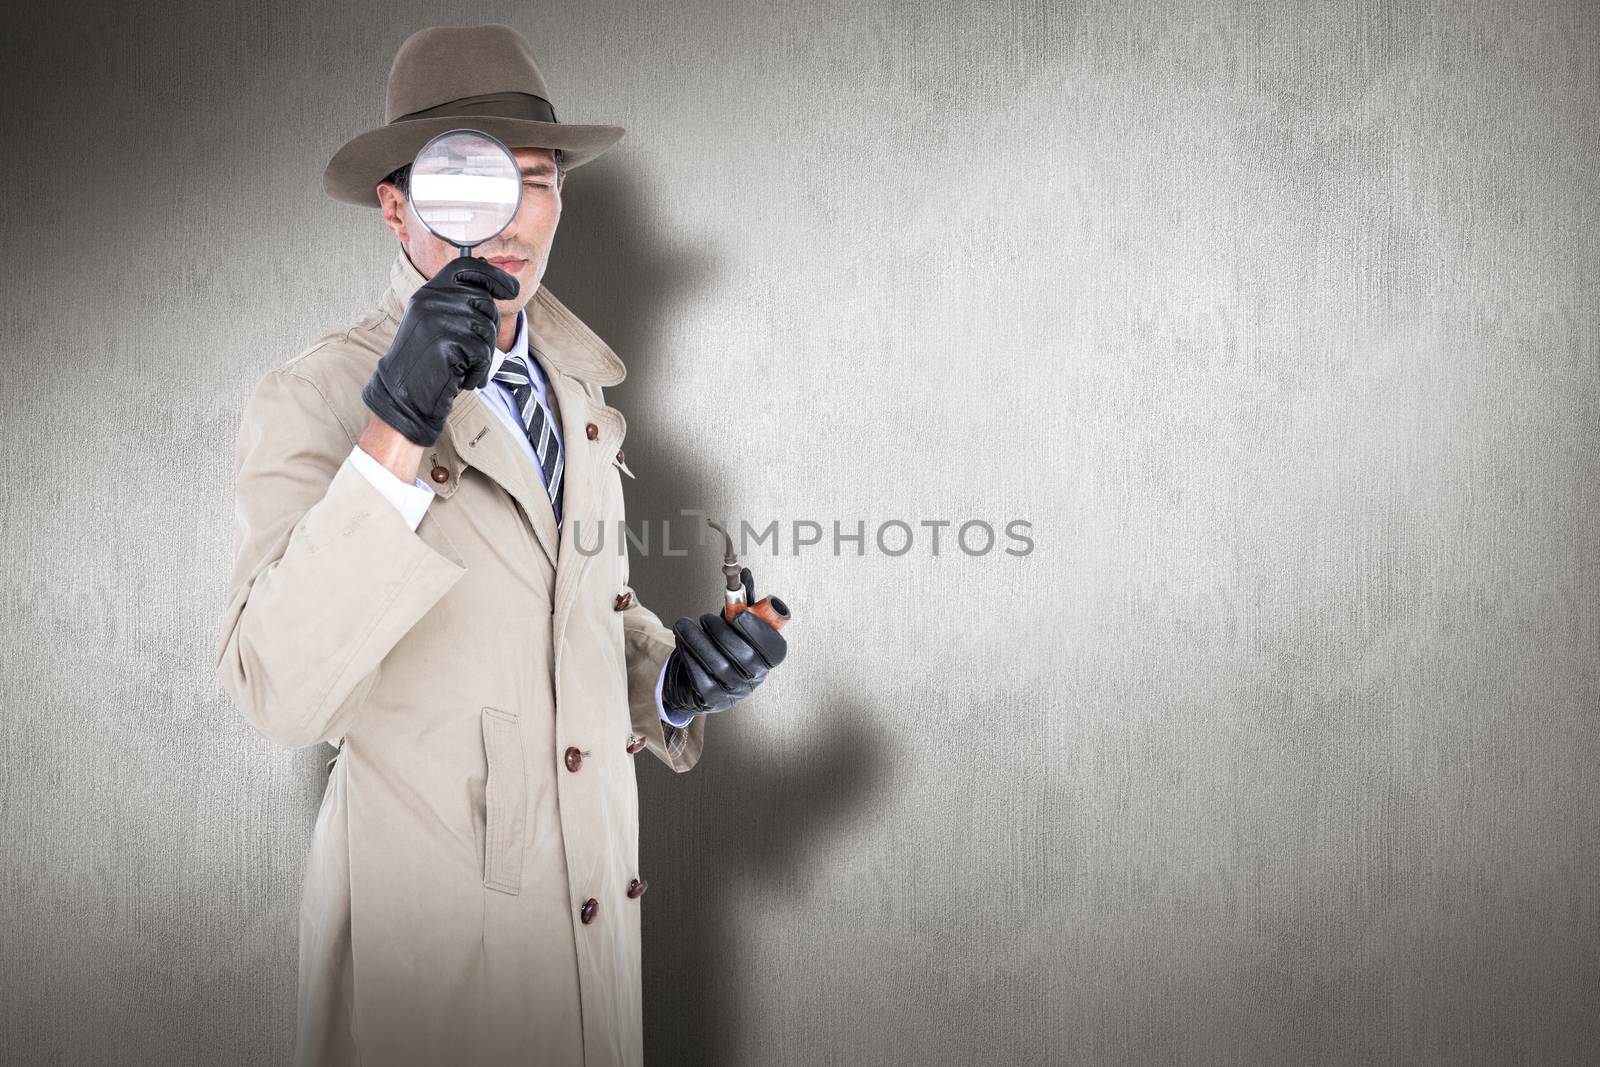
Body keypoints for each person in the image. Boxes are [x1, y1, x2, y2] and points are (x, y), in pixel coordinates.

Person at [213, 23, 788, 1067]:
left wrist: (669, 681)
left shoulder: (578, 394)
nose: (513, 217)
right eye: (470, 181)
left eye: (537, 177)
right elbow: (277, 691)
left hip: (592, 941)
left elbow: (559, 632)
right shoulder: (311, 396)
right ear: (398, 207)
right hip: (430, 971)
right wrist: (392, 427)